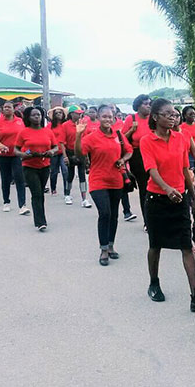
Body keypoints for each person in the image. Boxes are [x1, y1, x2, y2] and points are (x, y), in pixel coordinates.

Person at [140, 98, 195, 311]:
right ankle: (154, 283)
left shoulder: (181, 138)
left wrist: (192, 197)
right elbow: (151, 169)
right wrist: (167, 188)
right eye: (168, 114)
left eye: (175, 114)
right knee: (155, 245)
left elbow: (185, 169)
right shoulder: (147, 141)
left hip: (180, 199)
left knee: (187, 246)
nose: (173, 117)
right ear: (156, 117)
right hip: (157, 200)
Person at [76, 104, 133, 266]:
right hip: (98, 180)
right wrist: (79, 135)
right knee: (105, 213)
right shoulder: (92, 137)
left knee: (114, 214)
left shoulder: (118, 134)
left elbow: (129, 151)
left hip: (116, 180)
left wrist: (123, 160)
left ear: (114, 118)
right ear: (99, 118)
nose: (108, 119)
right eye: (104, 116)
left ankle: (111, 245)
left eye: (110, 116)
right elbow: (80, 153)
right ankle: (103, 249)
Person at [15, 106, 58, 232]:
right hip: (29, 166)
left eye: (38, 115)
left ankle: (40, 217)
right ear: (29, 117)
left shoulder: (48, 132)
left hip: (44, 165)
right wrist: (23, 155)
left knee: (40, 194)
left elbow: (55, 147)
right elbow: (16, 149)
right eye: (34, 115)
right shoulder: (24, 132)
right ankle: (40, 222)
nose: (37, 117)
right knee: (37, 193)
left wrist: (51, 152)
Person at [0, 101, 30, 215]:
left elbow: (24, 136)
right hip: (2, 155)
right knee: (6, 178)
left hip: (16, 155)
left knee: (19, 178)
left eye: (9, 107)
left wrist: (26, 150)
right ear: (2, 109)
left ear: (13, 109)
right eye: (5, 107)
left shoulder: (19, 121)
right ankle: (6, 202)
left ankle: (22, 205)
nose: (7, 109)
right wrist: (0, 145)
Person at [123, 94, 152, 230]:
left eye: (149, 103)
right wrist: (132, 130)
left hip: (153, 153)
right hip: (138, 156)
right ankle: (147, 221)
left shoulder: (154, 118)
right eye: (145, 103)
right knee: (144, 188)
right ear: (138, 106)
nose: (148, 106)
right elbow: (122, 139)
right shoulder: (131, 118)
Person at [61, 105, 92, 208]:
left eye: (80, 113)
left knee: (82, 175)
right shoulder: (65, 125)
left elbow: (86, 140)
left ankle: (84, 198)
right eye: (77, 113)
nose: (79, 115)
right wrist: (65, 156)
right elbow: (62, 142)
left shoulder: (83, 124)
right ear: (71, 114)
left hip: (81, 152)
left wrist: (87, 157)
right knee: (70, 175)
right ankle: (67, 194)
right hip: (70, 152)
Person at [48, 106, 70, 198]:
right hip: (54, 151)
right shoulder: (50, 126)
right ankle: (53, 188)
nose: (58, 114)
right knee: (54, 171)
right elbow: (47, 136)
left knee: (65, 170)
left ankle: (66, 191)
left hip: (63, 151)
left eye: (60, 113)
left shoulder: (65, 125)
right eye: (56, 113)